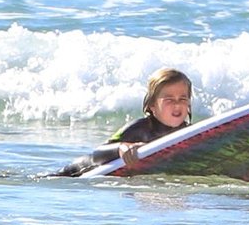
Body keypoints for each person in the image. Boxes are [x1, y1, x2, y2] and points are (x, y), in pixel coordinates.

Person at [53, 67, 193, 177]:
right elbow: (97, 154)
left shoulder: (192, 134)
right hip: (75, 172)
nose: (177, 105)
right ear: (152, 105)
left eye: (183, 99)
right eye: (169, 99)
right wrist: (121, 148)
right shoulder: (140, 128)